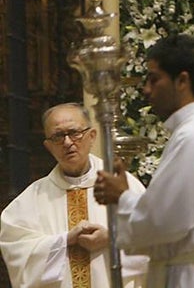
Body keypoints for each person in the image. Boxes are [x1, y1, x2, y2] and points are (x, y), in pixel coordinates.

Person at [94, 35, 194, 287]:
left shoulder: (193, 137)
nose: (146, 89)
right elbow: (174, 212)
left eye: (154, 79)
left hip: (193, 277)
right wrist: (126, 196)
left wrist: (122, 197)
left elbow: (168, 223)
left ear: (182, 81)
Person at [1, 103, 149, 288]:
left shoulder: (122, 184)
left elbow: (154, 237)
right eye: (58, 136)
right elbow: (16, 249)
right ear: (48, 146)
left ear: (92, 136)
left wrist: (111, 238)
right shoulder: (32, 199)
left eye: (74, 133)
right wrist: (64, 240)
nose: (67, 142)